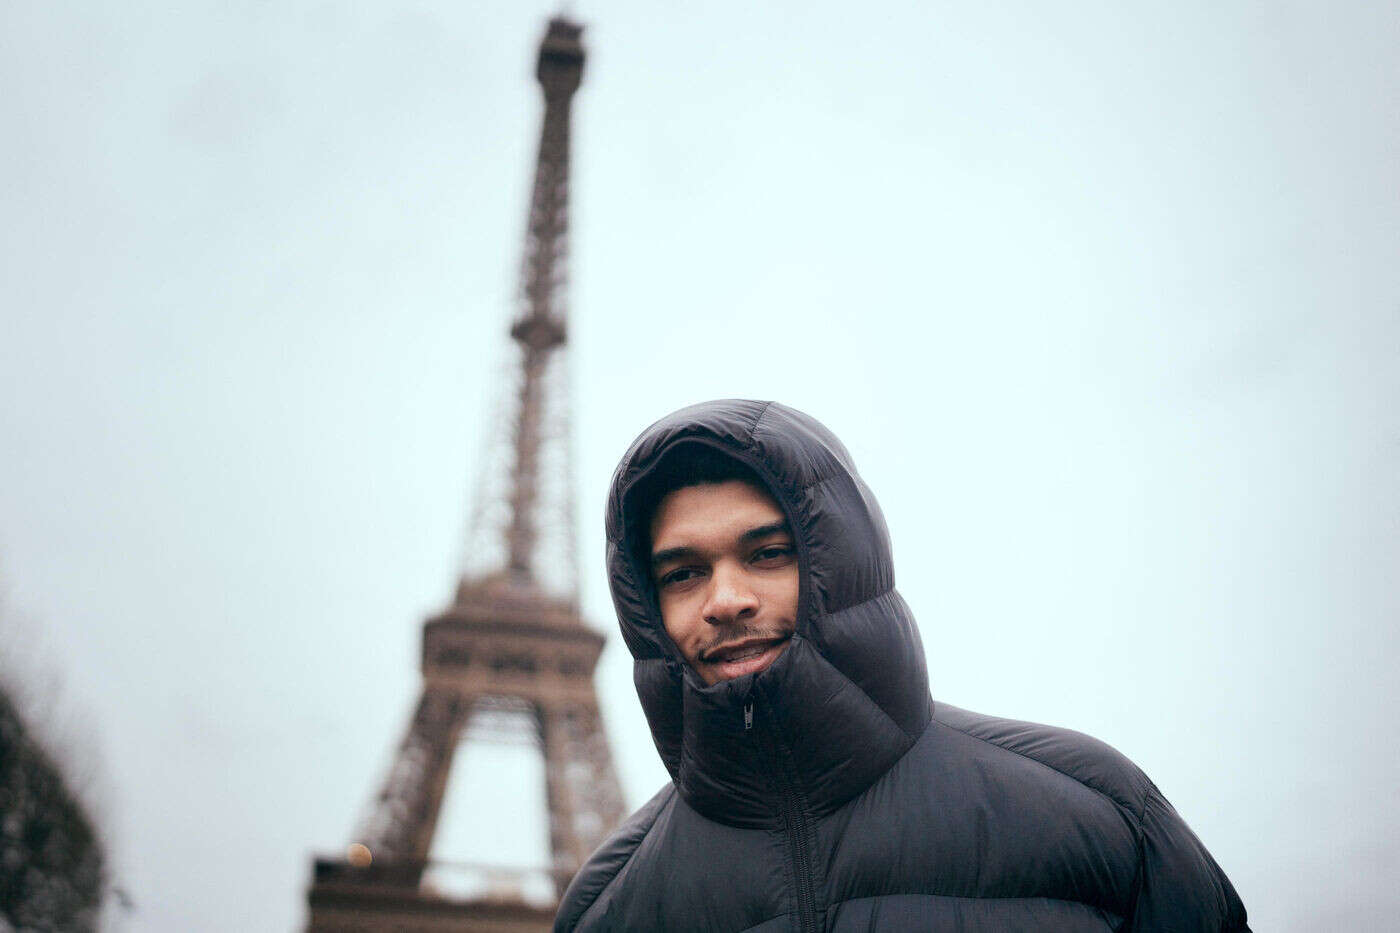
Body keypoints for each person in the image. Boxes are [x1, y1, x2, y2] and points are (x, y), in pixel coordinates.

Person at [555, 399, 1249, 932]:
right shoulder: (602, 912)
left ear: (842, 562)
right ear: (643, 607)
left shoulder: (1104, 815)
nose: (726, 600)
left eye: (767, 553)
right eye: (683, 573)